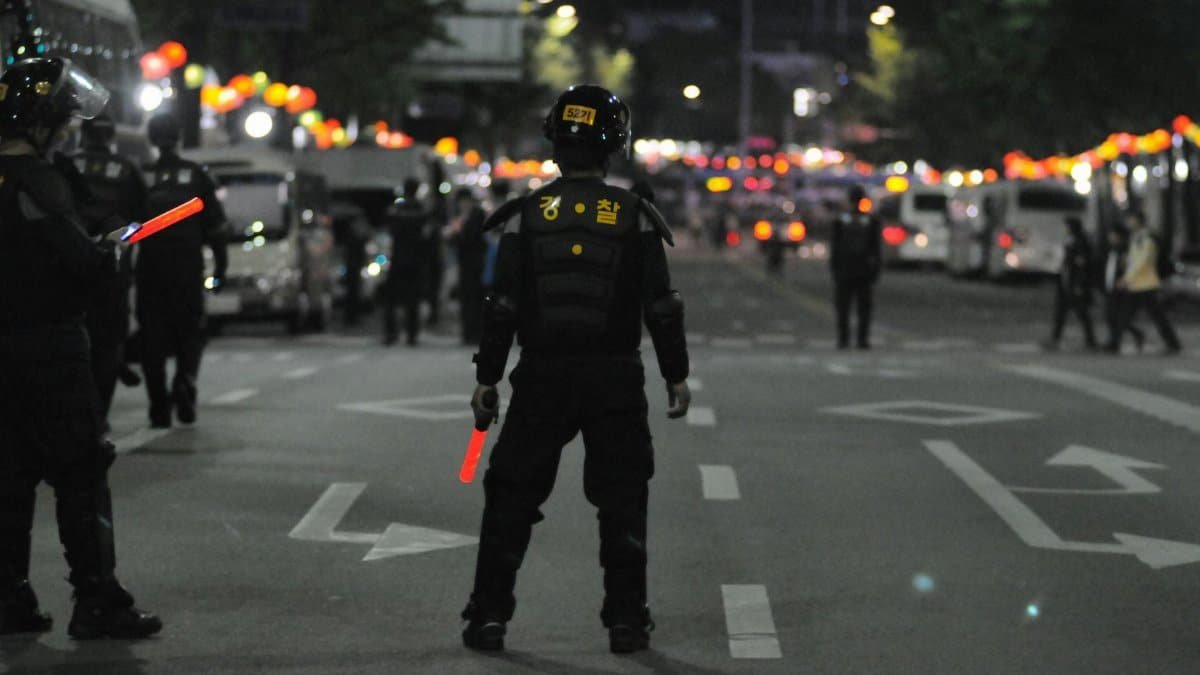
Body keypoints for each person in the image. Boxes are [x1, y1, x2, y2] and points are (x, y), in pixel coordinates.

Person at [461, 84, 691, 655]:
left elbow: (503, 307)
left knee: (511, 496)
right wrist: (675, 374)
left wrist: (487, 377)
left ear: (555, 144)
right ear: (615, 147)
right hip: (615, 378)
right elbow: (660, 306)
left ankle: (489, 616)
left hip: (541, 378)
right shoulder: (637, 217)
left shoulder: (527, 216)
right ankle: (626, 621)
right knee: (623, 499)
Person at [0, 56, 161, 639]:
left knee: (10, 475)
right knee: (82, 469)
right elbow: (85, 265)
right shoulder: (40, 183)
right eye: (62, 121)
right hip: (51, 348)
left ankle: (10, 598)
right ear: (40, 124)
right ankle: (97, 599)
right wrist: (113, 250)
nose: (68, 130)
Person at [138, 112, 228, 428]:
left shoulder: (141, 176)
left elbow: (124, 226)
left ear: (151, 137)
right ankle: (186, 378)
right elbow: (217, 228)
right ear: (179, 137)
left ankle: (159, 406)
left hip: (150, 269)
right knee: (191, 332)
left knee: (152, 339)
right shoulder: (197, 176)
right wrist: (220, 269)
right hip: (188, 269)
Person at [65, 113, 148, 429]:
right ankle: (100, 413)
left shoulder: (65, 166)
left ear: (82, 136)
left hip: (70, 265)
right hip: (112, 268)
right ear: (111, 137)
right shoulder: (127, 170)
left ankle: (78, 410)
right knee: (109, 341)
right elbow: (143, 221)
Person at [1105, 211, 1181, 355]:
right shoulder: (1136, 238)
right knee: (1125, 315)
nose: (1128, 223)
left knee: (1156, 316)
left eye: (1130, 220)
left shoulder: (1146, 239)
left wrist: (1126, 278)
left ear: (1137, 221)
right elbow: (1135, 260)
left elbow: (1143, 261)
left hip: (1146, 284)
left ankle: (1173, 344)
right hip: (1136, 284)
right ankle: (1114, 343)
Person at [382, 178, 434, 346]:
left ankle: (391, 333)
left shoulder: (396, 210)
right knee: (413, 300)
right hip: (416, 260)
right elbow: (428, 235)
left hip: (398, 258)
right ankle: (412, 334)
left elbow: (390, 230)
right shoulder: (422, 211)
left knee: (391, 300)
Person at [830, 184, 882, 349]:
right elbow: (876, 248)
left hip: (845, 269)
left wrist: (835, 269)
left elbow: (835, 247)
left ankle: (843, 339)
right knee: (863, 308)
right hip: (864, 270)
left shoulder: (841, 220)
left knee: (843, 308)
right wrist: (875, 270)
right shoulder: (870, 221)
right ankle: (862, 339)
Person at [1042, 217, 1097, 350]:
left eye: (1067, 226)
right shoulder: (1070, 240)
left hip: (1075, 283)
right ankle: (1056, 338)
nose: (1065, 229)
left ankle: (1091, 340)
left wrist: (1080, 284)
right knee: (1061, 312)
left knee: (1082, 313)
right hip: (1066, 282)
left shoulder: (1081, 242)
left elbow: (1082, 265)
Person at [447, 188, 487, 345]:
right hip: (464, 262)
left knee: (476, 298)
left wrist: (457, 231)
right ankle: (467, 332)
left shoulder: (477, 215)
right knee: (466, 297)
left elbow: (471, 237)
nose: (462, 204)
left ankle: (475, 332)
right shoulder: (460, 216)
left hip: (476, 262)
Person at [1101, 224, 1145, 351]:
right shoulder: (1111, 249)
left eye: (1112, 234)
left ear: (1119, 236)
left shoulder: (1127, 250)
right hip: (1111, 286)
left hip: (1124, 288)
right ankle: (1135, 335)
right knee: (1111, 317)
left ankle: (1114, 343)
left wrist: (1125, 280)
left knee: (1119, 318)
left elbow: (1132, 267)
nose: (1110, 237)